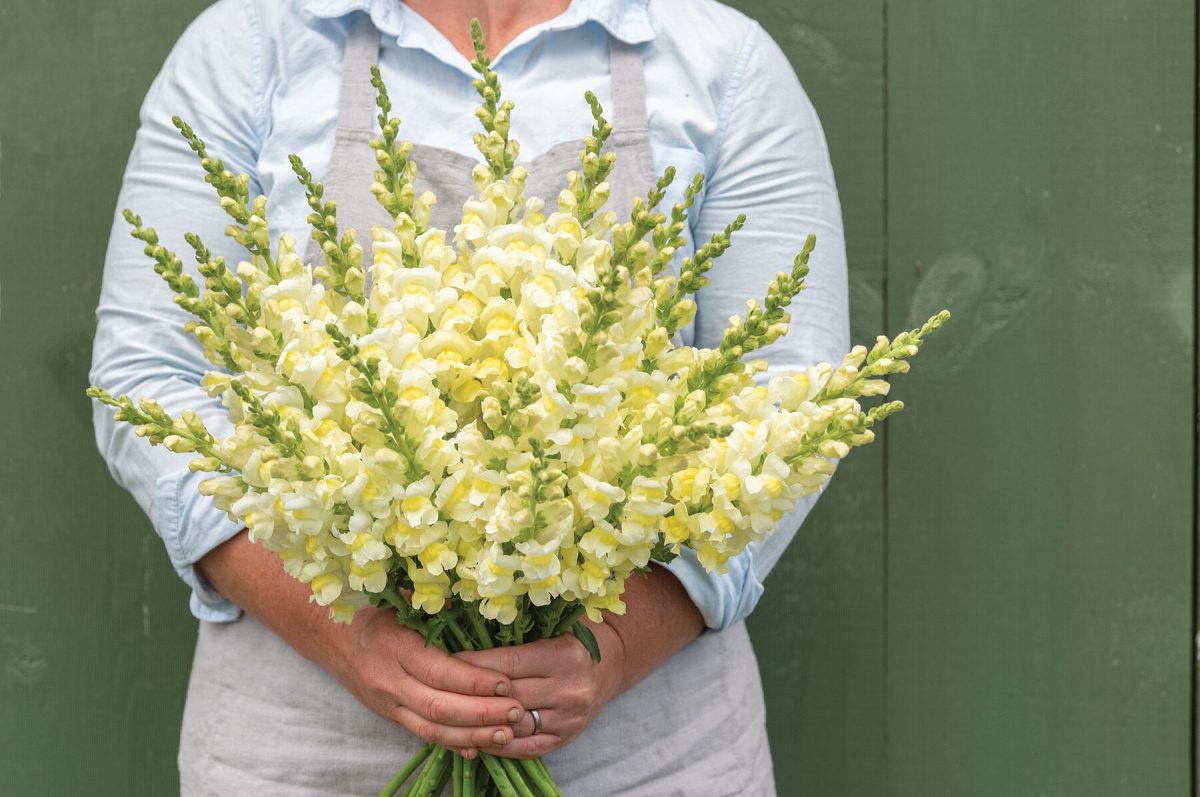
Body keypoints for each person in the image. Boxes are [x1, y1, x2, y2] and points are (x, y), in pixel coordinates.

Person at [90, 1, 849, 794]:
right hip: (304, 754)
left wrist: (614, 648)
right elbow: (148, 379)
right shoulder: (251, 46)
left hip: (648, 760)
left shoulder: (717, 61)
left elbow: (787, 395)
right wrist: (345, 634)